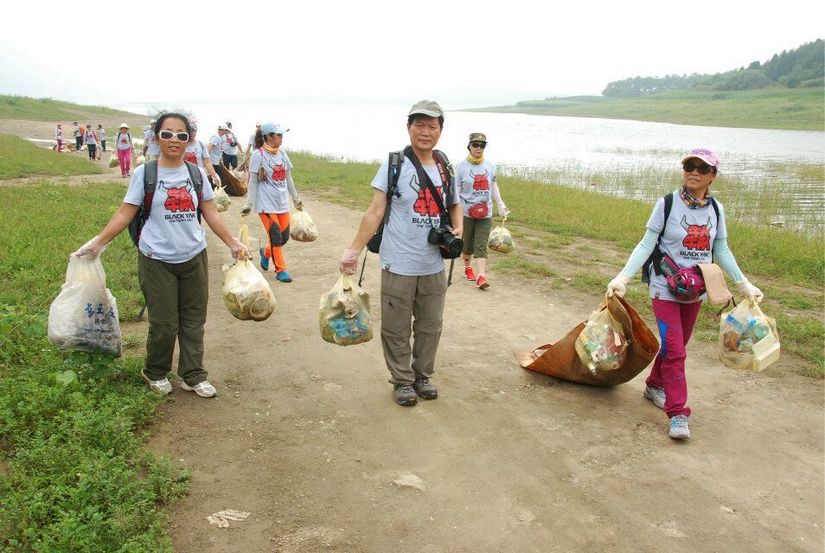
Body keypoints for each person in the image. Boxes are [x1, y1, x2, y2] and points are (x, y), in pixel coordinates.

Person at [73, 112, 249, 398]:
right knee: (164, 323)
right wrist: (98, 243)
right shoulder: (146, 173)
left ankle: (193, 375)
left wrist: (233, 243)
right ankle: (155, 371)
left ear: (189, 140)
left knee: (194, 319)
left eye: (181, 135)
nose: (174, 140)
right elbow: (125, 212)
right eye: (167, 134)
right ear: (157, 138)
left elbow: (210, 212)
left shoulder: (196, 174)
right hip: (156, 259)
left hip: (194, 256)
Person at [606, 148, 764, 440]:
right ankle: (678, 413)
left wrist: (744, 284)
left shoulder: (716, 209)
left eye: (702, 168)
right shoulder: (667, 204)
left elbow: (721, 249)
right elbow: (646, 243)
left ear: (712, 176)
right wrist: (622, 277)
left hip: (696, 290)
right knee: (677, 351)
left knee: (673, 347)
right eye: (689, 166)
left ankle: (655, 385)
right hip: (664, 288)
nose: (694, 172)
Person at [339, 100, 462, 407]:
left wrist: (458, 228)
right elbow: (374, 211)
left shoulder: (446, 166)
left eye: (432, 126)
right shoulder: (394, 165)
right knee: (396, 327)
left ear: (441, 130)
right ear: (409, 128)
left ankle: (423, 376)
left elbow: (454, 204)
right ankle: (402, 380)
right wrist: (353, 251)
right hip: (398, 263)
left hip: (433, 263)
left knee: (430, 326)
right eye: (419, 125)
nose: (425, 131)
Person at [247, 122, 303, 283]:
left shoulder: (282, 153)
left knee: (283, 238)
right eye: (278, 135)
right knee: (275, 236)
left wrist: (296, 198)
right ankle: (281, 270)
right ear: (268, 137)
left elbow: (288, 177)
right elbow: (253, 181)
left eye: (282, 134)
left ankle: (265, 253)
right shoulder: (258, 155)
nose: (281, 137)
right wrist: (249, 203)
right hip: (265, 204)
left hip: (282, 203)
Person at [455, 132, 509, 290]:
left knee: (481, 244)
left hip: (486, 212)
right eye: (475, 145)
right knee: (467, 244)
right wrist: (454, 209)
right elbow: (456, 190)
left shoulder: (489, 165)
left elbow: (493, 186)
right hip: (466, 212)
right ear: (469, 146)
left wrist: (501, 205)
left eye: (482, 145)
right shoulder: (461, 167)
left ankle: (481, 276)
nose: (479, 148)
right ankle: (467, 268)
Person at [184, 122, 221, 187]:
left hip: (198, 178)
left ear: (196, 131)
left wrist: (215, 176)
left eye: (192, 131)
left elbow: (207, 162)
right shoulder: (180, 144)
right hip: (184, 178)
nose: (190, 133)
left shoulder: (200, 144)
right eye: (188, 131)